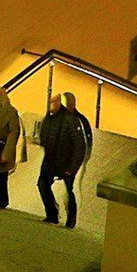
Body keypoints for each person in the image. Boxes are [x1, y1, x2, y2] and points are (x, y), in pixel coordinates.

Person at [37, 92, 93, 228]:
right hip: (51, 159)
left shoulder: (75, 120)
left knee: (69, 190)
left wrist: (74, 167)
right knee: (42, 184)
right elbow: (44, 134)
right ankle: (52, 213)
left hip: (67, 162)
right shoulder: (50, 118)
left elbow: (81, 146)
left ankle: (70, 217)